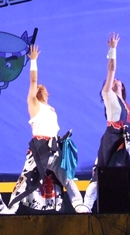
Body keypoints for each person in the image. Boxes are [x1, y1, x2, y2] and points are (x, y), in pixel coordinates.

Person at [7, 45, 87, 213]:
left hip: (54, 147)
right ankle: (11, 208)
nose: (40, 87)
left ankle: (79, 205)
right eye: (38, 88)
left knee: (67, 178)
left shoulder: (51, 110)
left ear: (48, 94)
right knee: (26, 178)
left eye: (43, 88)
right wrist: (33, 60)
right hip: (39, 147)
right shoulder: (34, 104)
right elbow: (34, 81)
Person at [83, 33, 130, 212]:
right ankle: (86, 206)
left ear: (123, 86)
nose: (114, 81)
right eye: (112, 82)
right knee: (101, 171)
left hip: (127, 143)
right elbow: (111, 70)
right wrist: (113, 49)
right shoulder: (109, 96)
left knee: (126, 174)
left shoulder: (127, 106)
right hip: (112, 140)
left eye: (117, 82)